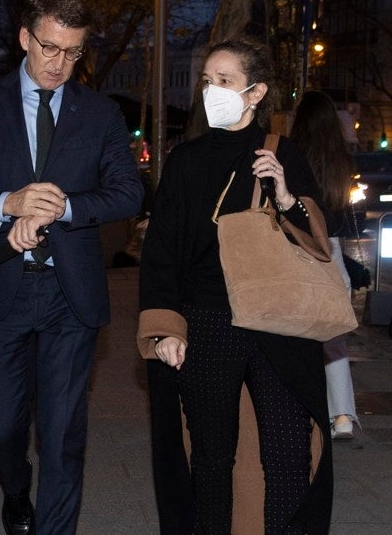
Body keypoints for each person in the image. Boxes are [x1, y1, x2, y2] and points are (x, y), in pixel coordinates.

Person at [0, 0, 143, 534]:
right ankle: (15, 489)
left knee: (62, 433)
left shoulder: (99, 114)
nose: (60, 64)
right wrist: (8, 203)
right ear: (25, 37)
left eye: (73, 53)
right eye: (50, 48)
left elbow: (128, 193)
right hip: (0, 283)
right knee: (1, 429)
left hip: (68, 294)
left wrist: (66, 206)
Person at [139, 38, 333, 535]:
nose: (211, 91)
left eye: (224, 82)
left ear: (255, 92)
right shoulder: (185, 161)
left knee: (289, 452)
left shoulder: (283, 154)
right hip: (207, 320)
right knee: (210, 456)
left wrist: (287, 196)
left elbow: (318, 245)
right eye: (207, 80)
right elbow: (161, 252)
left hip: (277, 322)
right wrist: (166, 327)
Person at [289, 90, 361, 441]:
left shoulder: (291, 154)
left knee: (297, 330)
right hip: (330, 247)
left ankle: (301, 409)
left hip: (299, 243)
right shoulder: (340, 159)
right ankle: (343, 415)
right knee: (334, 338)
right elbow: (341, 205)